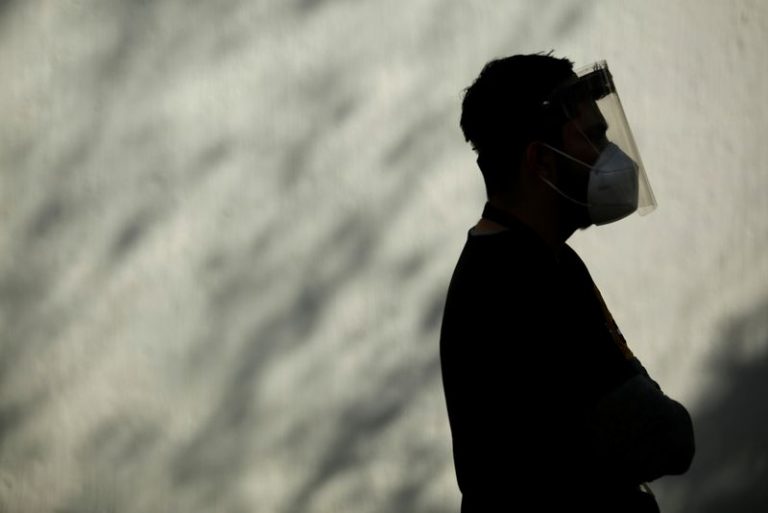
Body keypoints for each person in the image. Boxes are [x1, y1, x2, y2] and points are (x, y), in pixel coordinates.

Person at [439, 53, 695, 513]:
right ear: (540, 161)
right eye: (593, 138)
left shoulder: (542, 261)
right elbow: (666, 437)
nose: (610, 154)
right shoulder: (518, 286)